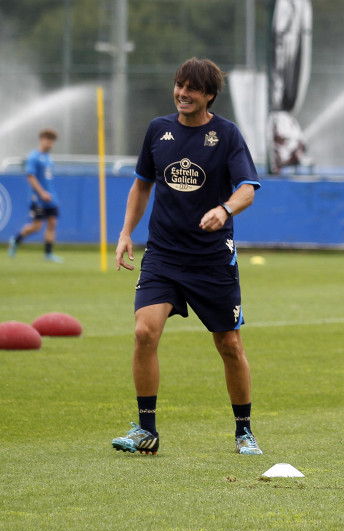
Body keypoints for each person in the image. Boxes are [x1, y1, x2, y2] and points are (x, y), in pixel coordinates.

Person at [111, 58, 263, 456]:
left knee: (229, 345)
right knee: (144, 332)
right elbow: (142, 185)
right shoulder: (157, 131)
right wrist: (126, 233)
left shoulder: (226, 135)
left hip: (212, 260)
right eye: (179, 85)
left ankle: (244, 430)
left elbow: (248, 187)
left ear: (209, 95)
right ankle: (146, 430)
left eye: (192, 88)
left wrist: (225, 209)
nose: (183, 93)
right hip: (162, 255)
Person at [8, 128, 64, 262]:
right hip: (38, 198)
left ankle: (48, 254)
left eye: (51, 141)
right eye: (47, 140)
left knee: (52, 223)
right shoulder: (33, 156)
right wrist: (41, 192)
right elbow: (31, 176)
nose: (49, 143)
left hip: (51, 198)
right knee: (36, 226)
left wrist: (50, 193)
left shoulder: (49, 159)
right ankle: (15, 240)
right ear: (41, 140)